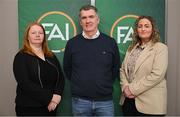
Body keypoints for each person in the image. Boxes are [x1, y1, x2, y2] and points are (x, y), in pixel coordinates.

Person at [63, 5, 120, 116]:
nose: (88, 20)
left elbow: (115, 68)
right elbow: (67, 69)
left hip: (105, 102)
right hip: (80, 102)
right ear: (80, 22)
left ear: (97, 20)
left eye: (91, 17)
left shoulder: (110, 42)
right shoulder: (72, 44)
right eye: (84, 18)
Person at [120, 15, 168, 116]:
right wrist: (125, 88)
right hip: (128, 102)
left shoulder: (160, 48)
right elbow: (123, 70)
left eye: (147, 26)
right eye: (140, 26)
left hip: (150, 105)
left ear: (153, 29)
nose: (143, 29)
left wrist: (131, 89)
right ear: (136, 30)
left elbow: (157, 75)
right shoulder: (131, 48)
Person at [13, 22, 65, 116]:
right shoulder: (21, 57)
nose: (37, 35)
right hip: (29, 108)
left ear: (44, 37)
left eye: (40, 33)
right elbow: (24, 83)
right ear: (27, 37)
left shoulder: (51, 56)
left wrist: (57, 97)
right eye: (33, 33)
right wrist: (50, 98)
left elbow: (60, 78)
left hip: (51, 107)